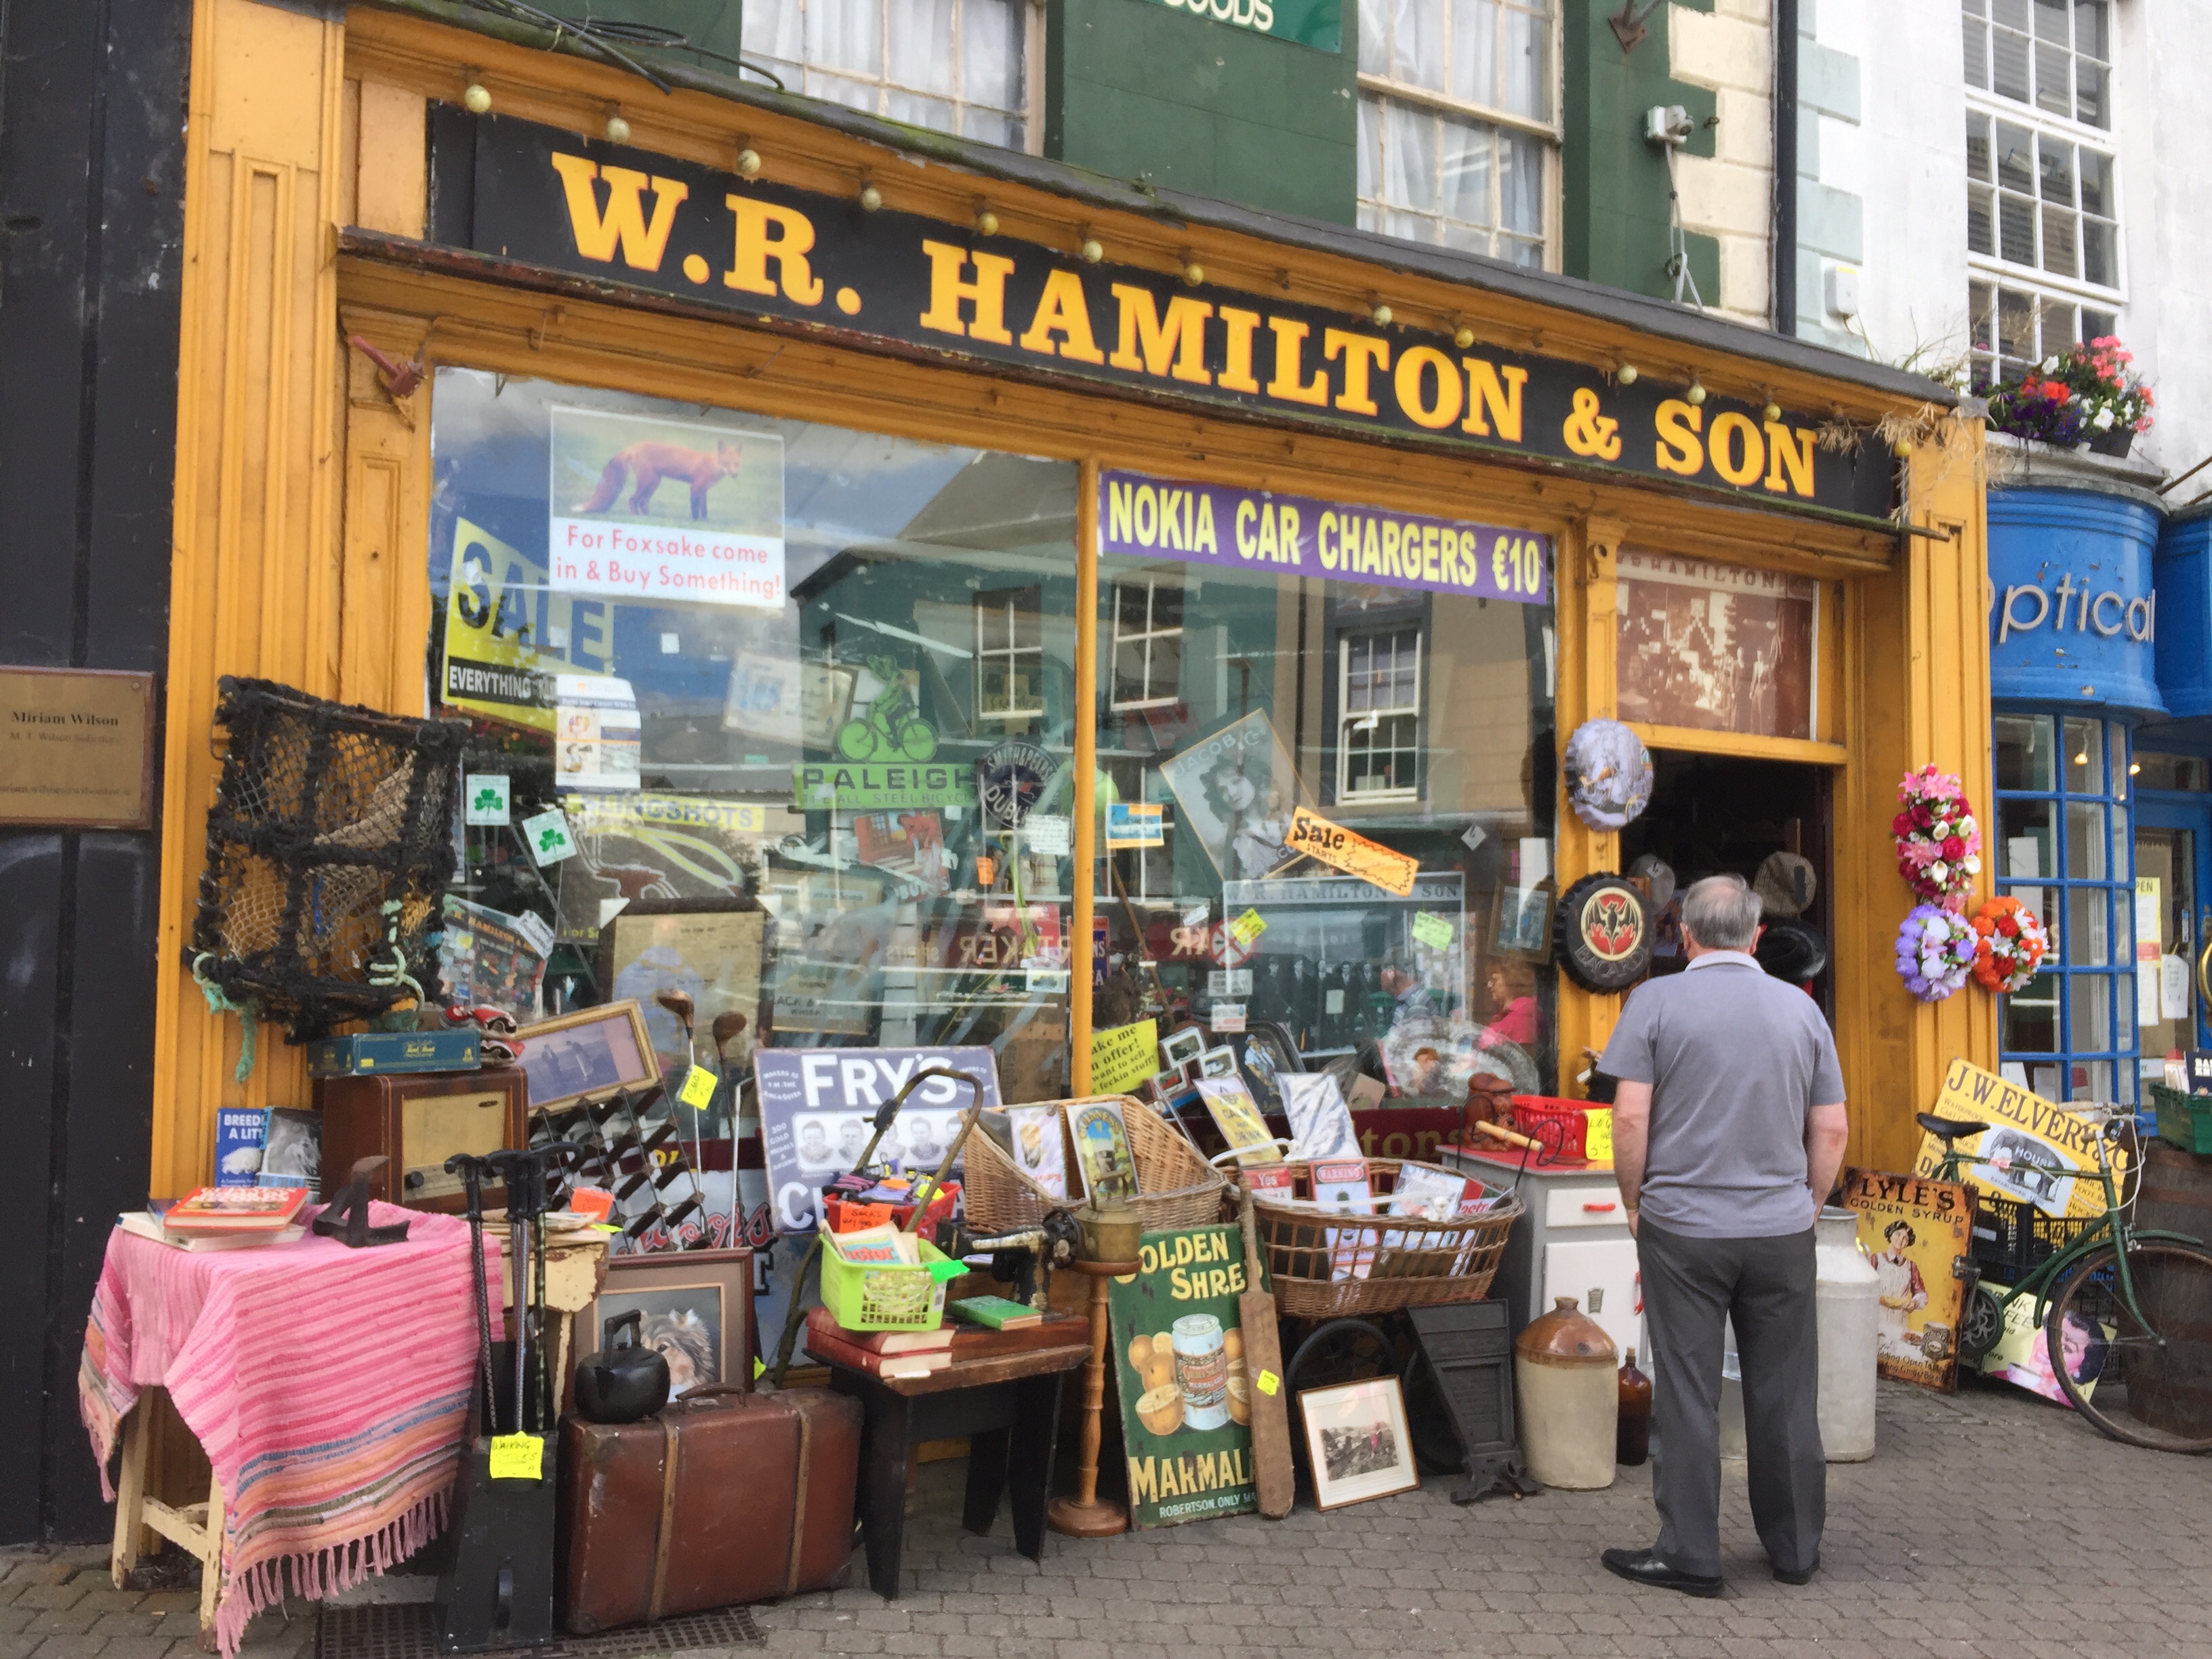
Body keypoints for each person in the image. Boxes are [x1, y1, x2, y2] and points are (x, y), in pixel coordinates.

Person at [1597, 873, 1851, 1597]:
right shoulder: (1801, 1011)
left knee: (1688, 1393)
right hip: (1780, 1228)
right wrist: (1808, 1204)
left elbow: (1629, 1118)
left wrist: (1633, 1201)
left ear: (1684, 935)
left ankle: (1691, 1554)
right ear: (1757, 936)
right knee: (1785, 1393)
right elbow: (1832, 1128)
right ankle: (1795, 1549)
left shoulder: (1653, 1002)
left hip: (1683, 1227)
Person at [1874, 1220, 1929, 1359]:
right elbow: (1864, 1286)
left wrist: (1915, 1303)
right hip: (1876, 1318)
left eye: (1905, 1238)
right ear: (1890, 1235)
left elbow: (1921, 1293)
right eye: (1898, 1235)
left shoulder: (1911, 1266)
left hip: (1899, 1323)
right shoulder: (1876, 1259)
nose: (1901, 1240)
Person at [1478, 958, 1540, 1048]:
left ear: (1511, 980)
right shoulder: (1506, 1015)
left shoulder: (1523, 1014)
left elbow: (1522, 1053)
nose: (1489, 985)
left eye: (1494, 980)